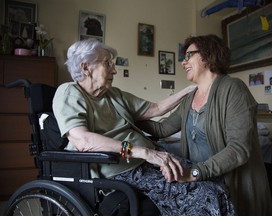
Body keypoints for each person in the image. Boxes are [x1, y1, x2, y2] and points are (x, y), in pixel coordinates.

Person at [52, 38, 235, 215]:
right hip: (122, 170)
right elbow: (84, 141)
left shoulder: (113, 95)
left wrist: (192, 89)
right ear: (85, 67)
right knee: (206, 195)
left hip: (148, 159)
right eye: (107, 63)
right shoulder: (69, 93)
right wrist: (143, 152)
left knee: (214, 180)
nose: (114, 70)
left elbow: (156, 109)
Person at [136, 34, 272, 216]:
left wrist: (194, 172)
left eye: (188, 56)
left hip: (235, 188)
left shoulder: (233, 88)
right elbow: (162, 129)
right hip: (204, 185)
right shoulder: (189, 98)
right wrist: (129, 115)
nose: (183, 63)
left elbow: (239, 149)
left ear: (207, 55)